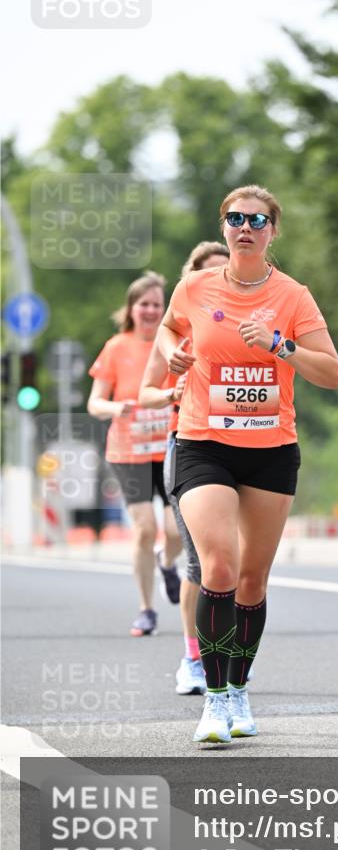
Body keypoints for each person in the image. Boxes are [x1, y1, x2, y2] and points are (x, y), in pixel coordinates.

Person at [157, 184, 338, 744]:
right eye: (235, 218)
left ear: (272, 232)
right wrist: (172, 351)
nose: (245, 228)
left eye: (257, 221)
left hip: (270, 450)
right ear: (223, 227)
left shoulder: (292, 296)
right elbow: (170, 329)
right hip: (202, 441)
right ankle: (215, 700)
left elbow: (331, 373)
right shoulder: (193, 287)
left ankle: (238, 687)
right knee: (217, 566)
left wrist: (279, 345)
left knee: (251, 580)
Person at [139, 242, 229, 696]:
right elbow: (146, 393)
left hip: (247, 448)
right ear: (192, 280)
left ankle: (231, 652)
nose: (218, 280)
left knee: (238, 562)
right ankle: (194, 657)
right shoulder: (177, 331)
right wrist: (174, 390)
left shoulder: (251, 321)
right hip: (191, 446)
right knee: (199, 561)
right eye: (208, 273)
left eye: (225, 271)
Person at [87, 272, 182, 636]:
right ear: (131, 308)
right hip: (128, 451)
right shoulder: (116, 347)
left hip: (169, 446)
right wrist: (117, 408)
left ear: (164, 309)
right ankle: (146, 610)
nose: (150, 310)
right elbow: (94, 403)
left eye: (157, 304)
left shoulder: (173, 343)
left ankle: (167, 562)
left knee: (176, 531)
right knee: (145, 528)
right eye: (143, 304)